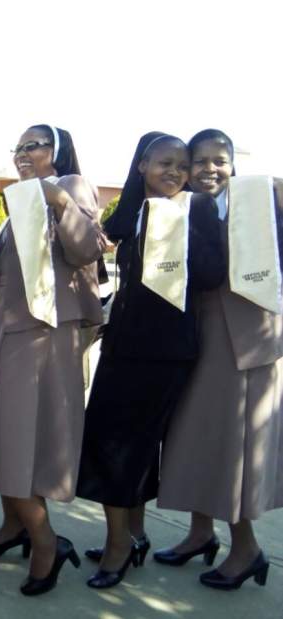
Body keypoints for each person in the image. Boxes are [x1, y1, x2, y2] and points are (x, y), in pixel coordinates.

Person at [0, 124, 104, 596]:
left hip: (40, 334)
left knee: (18, 438)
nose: (22, 153)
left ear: (56, 150)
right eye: (18, 147)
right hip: (2, 328)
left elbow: (86, 251)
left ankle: (46, 542)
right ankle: (13, 525)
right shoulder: (20, 199)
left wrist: (59, 202)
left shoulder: (70, 186)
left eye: (32, 145)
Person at [75, 132, 225, 589]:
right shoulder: (135, 209)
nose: (177, 172)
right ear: (142, 166)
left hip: (162, 352)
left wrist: (177, 233)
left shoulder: (192, 209)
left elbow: (212, 273)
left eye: (182, 165)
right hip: (123, 343)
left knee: (125, 448)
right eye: (165, 163)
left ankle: (120, 544)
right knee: (112, 443)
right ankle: (131, 535)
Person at [156, 129, 282, 590]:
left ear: (234, 165)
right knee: (193, 438)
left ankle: (246, 547)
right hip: (199, 336)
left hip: (245, 341)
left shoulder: (260, 203)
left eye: (219, 160)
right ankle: (199, 532)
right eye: (199, 161)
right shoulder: (185, 208)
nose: (209, 168)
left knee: (233, 450)